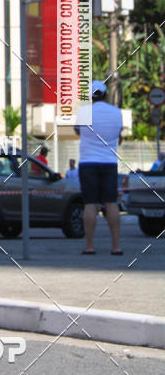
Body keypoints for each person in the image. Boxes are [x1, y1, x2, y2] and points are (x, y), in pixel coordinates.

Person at [74, 80, 123, 255]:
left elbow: (77, 131)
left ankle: (89, 246)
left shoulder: (83, 113)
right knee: (111, 203)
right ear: (105, 95)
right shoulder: (117, 112)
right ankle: (116, 246)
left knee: (90, 203)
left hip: (88, 163)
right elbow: (119, 135)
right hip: (110, 163)